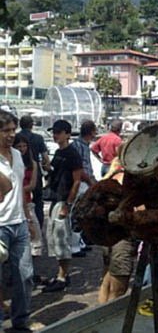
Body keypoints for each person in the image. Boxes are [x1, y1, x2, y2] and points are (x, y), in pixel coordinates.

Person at [0, 110, 34, 330]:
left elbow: (20, 188)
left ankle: (20, 322)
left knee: (25, 275)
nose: (11, 134)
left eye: (13, 130)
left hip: (19, 222)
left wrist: (27, 216)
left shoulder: (18, 155)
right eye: (5, 131)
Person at [43, 120, 82, 293]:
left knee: (61, 239)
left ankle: (62, 276)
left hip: (62, 200)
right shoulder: (59, 152)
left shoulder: (72, 153)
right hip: (55, 197)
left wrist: (68, 204)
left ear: (67, 133)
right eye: (54, 132)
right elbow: (57, 173)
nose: (55, 135)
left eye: (58, 132)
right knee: (54, 239)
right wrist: (48, 169)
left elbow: (77, 180)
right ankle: (61, 274)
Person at [97, 146, 138, 303]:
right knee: (118, 289)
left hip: (107, 235)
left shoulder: (111, 175)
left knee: (106, 281)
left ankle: (98, 318)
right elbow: (138, 208)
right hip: (122, 237)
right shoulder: (125, 178)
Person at [17, 115, 50, 229]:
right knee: (38, 201)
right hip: (35, 172)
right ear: (32, 125)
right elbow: (45, 157)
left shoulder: (16, 137)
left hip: (19, 172)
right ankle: (38, 226)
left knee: (20, 199)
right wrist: (47, 169)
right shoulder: (38, 138)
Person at [70, 120, 98, 256]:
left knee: (83, 213)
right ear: (91, 132)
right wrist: (90, 181)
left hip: (85, 182)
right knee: (78, 213)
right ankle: (74, 246)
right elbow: (80, 168)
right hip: (81, 183)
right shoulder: (79, 146)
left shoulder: (83, 145)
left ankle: (80, 242)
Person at [14, 134, 43, 258]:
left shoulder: (32, 163)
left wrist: (16, 189)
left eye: (24, 146)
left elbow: (32, 185)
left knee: (35, 235)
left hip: (27, 201)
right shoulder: (10, 161)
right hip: (13, 204)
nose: (22, 149)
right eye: (19, 146)